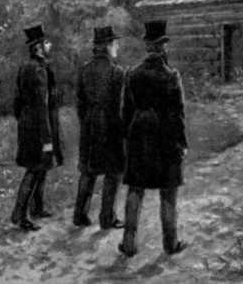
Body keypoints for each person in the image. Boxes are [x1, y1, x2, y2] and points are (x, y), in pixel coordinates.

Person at [118, 20, 188, 257]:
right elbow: (178, 113)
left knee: (135, 189)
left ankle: (128, 243)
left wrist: (128, 137)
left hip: (139, 135)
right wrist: (182, 143)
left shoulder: (132, 74)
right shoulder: (171, 76)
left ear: (147, 46)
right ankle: (170, 244)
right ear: (162, 46)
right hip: (165, 136)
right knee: (168, 191)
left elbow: (126, 111)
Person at [11, 24, 63, 231]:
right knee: (34, 169)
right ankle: (19, 214)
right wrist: (47, 138)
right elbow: (42, 104)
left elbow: (17, 101)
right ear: (38, 47)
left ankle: (37, 208)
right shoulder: (39, 70)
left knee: (41, 166)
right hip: (39, 127)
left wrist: (23, 120)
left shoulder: (26, 67)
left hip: (28, 124)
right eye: (46, 43)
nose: (50, 45)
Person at [73, 26, 125, 229]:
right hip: (110, 127)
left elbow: (79, 102)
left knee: (88, 171)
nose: (117, 47)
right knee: (113, 172)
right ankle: (107, 218)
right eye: (115, 43)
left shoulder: (85, 70)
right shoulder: (116, 71)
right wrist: (122, 129)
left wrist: (86, 121)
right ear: (107, 46)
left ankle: (80, 216)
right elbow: (120, 106)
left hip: (89, 126)